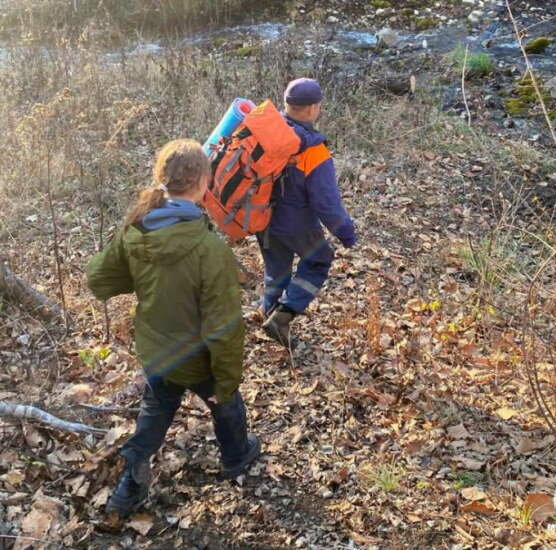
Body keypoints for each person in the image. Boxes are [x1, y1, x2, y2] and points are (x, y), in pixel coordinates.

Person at [86, 139, 260, 517]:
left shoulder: (136, 229)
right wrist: (226, 379)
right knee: (226, 404)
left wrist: (144, 275)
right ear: (203, 184)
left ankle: (129, 482)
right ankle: (236, 457)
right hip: (197, 360)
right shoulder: (209, 248)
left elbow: (99, 280)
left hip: (155, 350)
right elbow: (224, 328)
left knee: (157, 408)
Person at [259, 78, 357, 347]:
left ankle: (267, 311)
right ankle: (282, 316)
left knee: (276, 267)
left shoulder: (266, 133)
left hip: (261, 216)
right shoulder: (313, 150)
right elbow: (327, 204)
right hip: (296, 223)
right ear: (313, 108)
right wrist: (346, 234)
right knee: (319, 260)